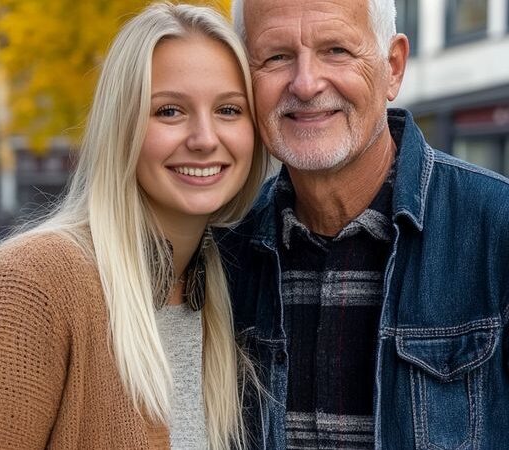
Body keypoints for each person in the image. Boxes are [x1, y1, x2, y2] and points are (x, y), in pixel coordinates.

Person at [216, 0, 509, 448]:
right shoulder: (221, 253)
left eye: (336, 50)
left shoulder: (497, 229)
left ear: (392, 68)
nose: (307, 83)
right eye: (276, 56)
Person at [0, 2, 267, 449]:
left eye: (228, 110)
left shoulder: (232, 293)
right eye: (169, 112)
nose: (204, 139)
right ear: (122, 126)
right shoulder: (33, 285)